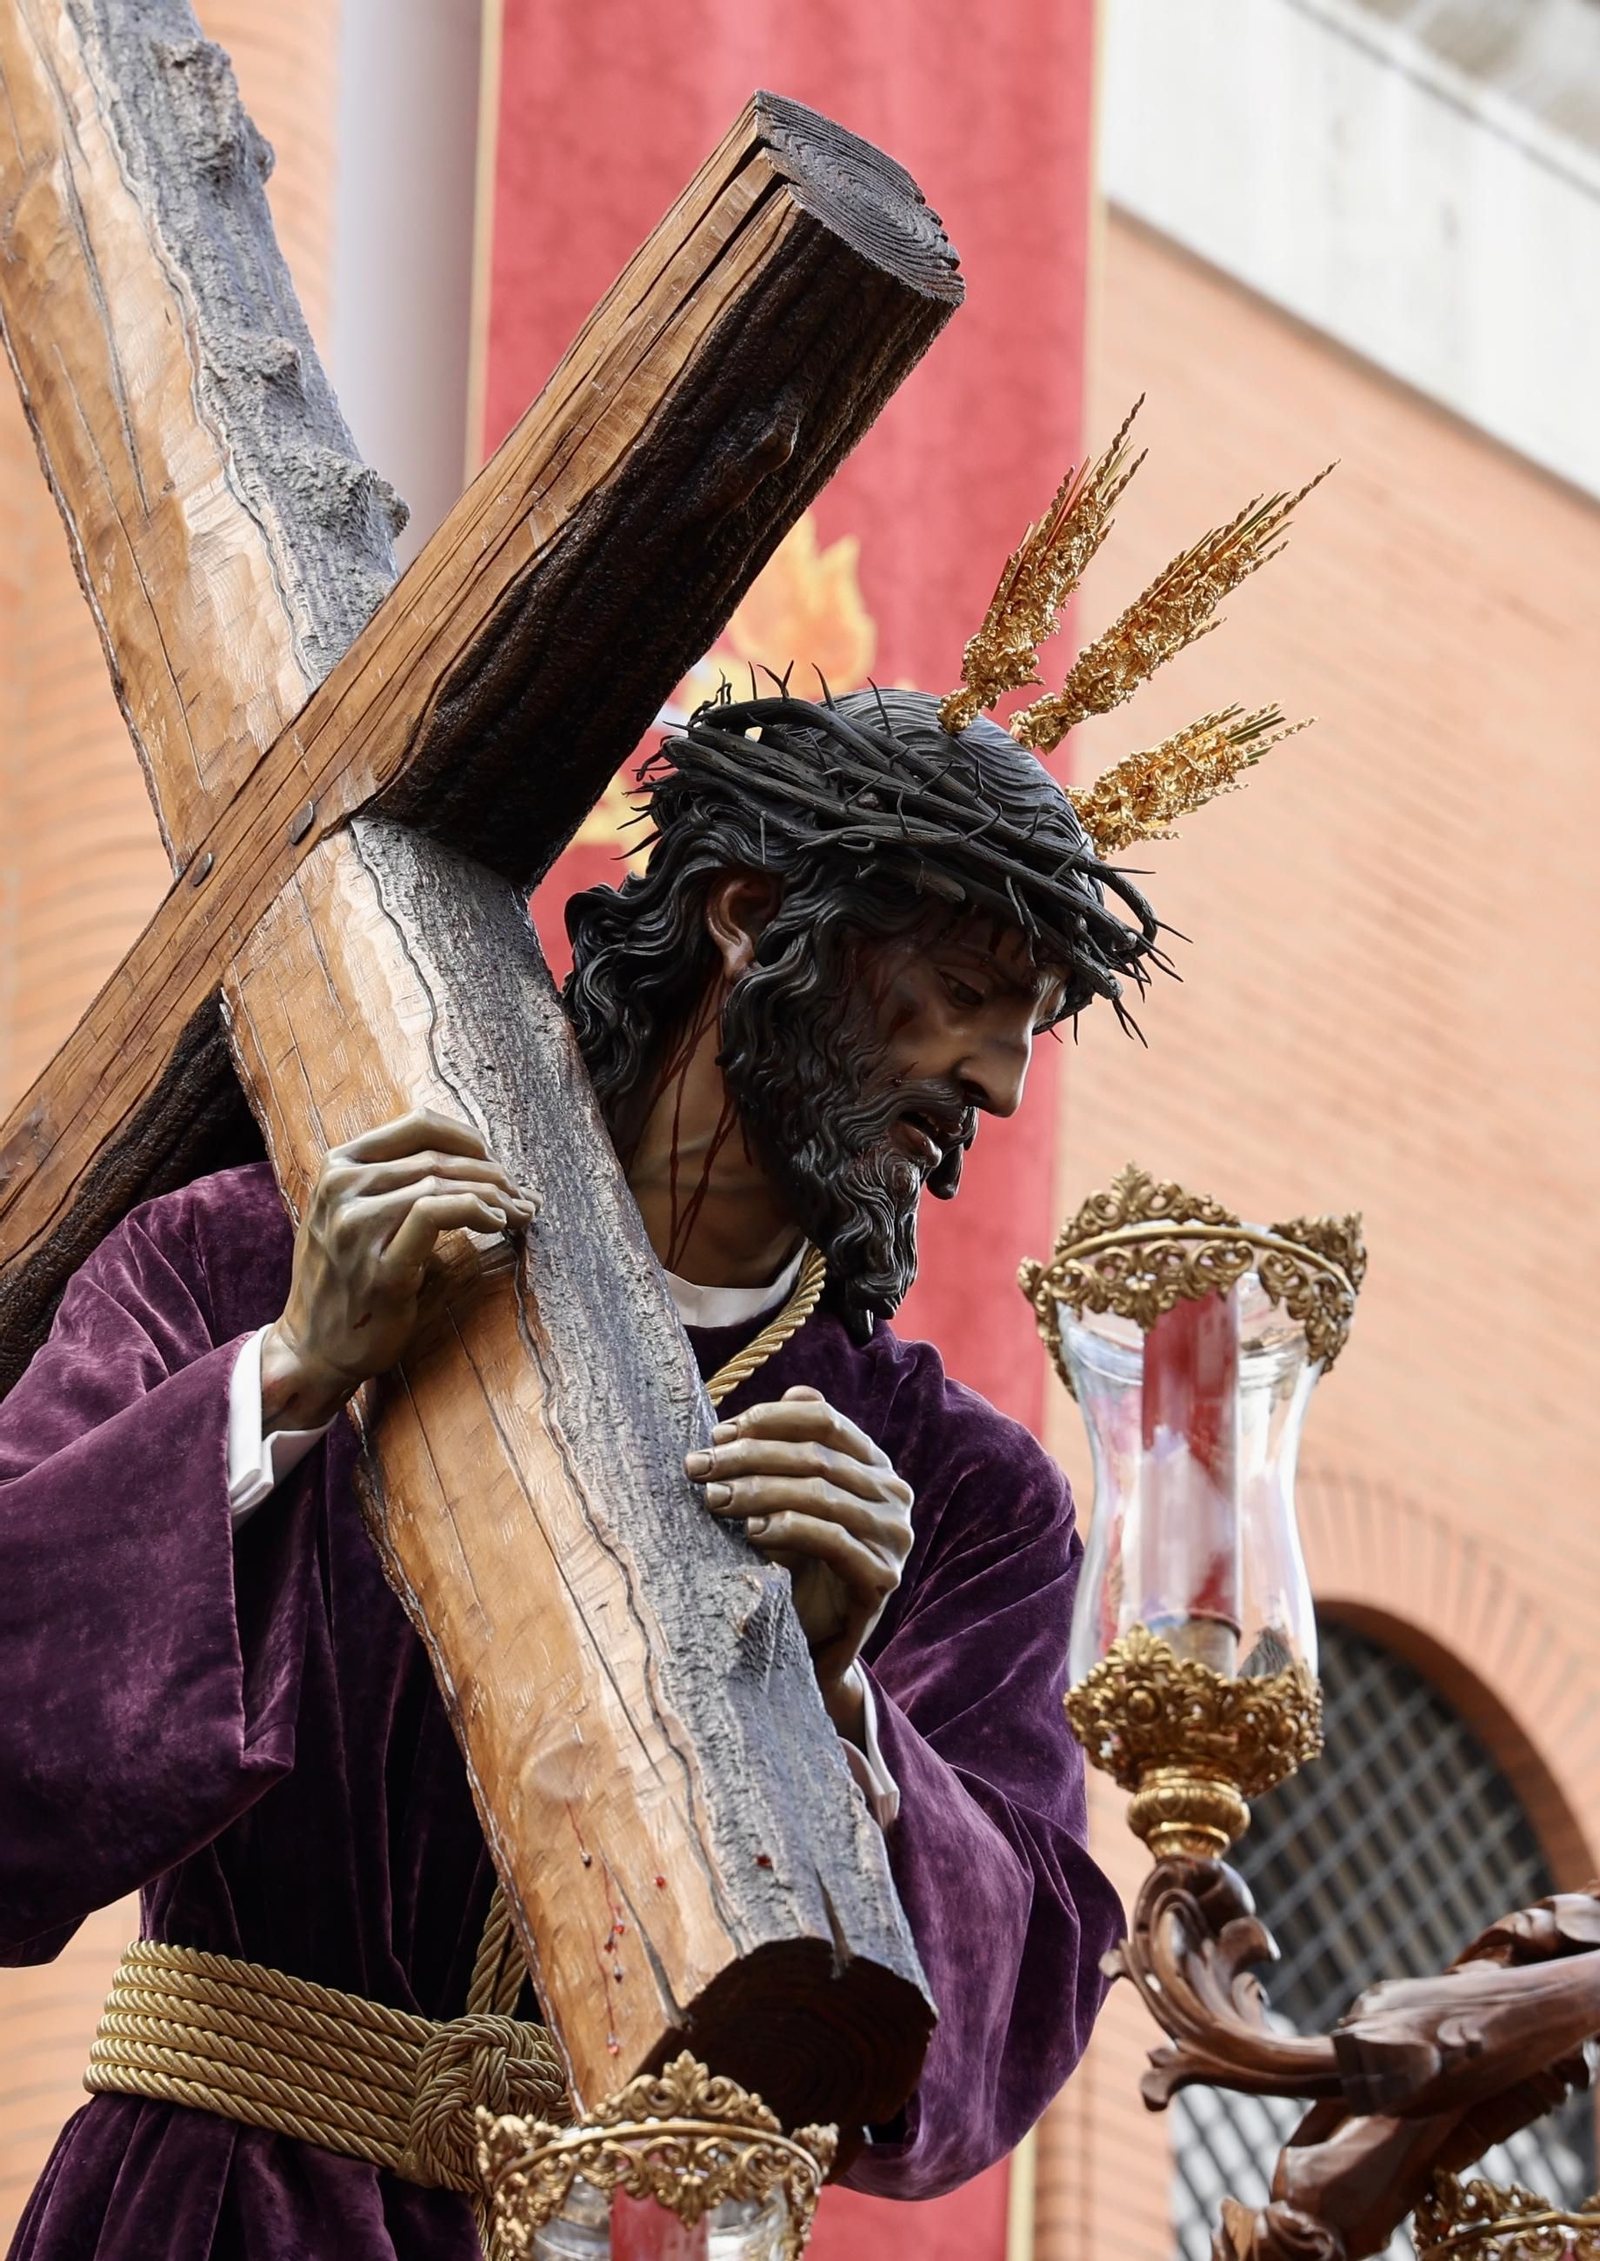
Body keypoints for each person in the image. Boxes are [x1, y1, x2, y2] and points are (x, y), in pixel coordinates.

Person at [3, 416, 1316, 2255]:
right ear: (751, 918)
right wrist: (288, 1380)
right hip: (210, 2205)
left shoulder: (953, 1495)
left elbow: (990, 2039)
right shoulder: (248, 1264)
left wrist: (830, 1706)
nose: (1000, 1086)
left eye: (1026, 1027)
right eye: (961, 994)